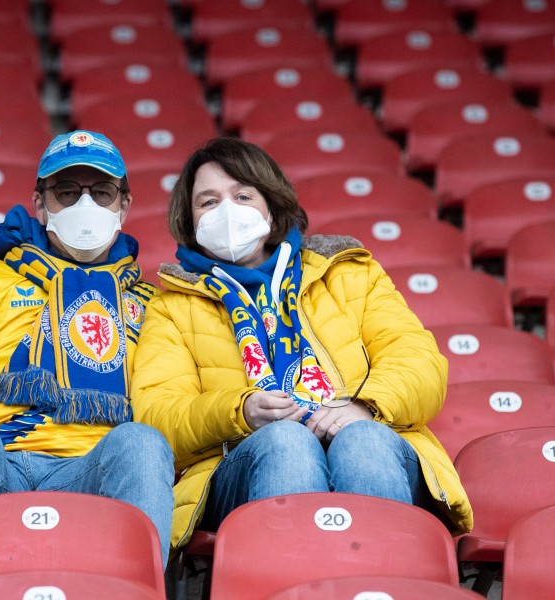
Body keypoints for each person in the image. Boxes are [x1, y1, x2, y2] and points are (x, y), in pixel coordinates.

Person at [130, 137, 473, 551]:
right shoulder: (171, 305)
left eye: (242, 195)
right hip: (242, 463)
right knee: (286, 441)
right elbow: (157, 416)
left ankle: (387, 580)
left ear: (272, 205)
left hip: (369, 441)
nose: (226, 211)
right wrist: (239, 411)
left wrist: (362, 407)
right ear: (190, 221)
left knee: (361, 439)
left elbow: (420, 363)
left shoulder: (348, 273)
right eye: (208, 202)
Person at [0, 130, 175, 569]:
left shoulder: (155, 307)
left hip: (94, 467)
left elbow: (173, 406)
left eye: (101, 193)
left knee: (141, 442)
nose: (85, 206)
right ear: (40, 204)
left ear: (124, 206)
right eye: (66, 192)